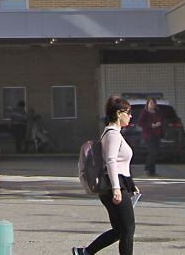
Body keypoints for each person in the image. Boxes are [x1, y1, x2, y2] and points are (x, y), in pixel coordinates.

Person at [74, 96, 137, 255]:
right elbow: (111, 161)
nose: (130, 116)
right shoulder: (112, 134)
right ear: (118, 113)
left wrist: (130, 184)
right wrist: (117, 188)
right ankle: (86, 252)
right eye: (128, 112)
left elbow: (120, 165)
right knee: (128, 229)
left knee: (120, 230)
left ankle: (85, 252)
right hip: (113, 187)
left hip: (116, 185)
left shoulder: (114, 133)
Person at [139, 98, 163, 177]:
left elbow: (162, 120)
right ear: (147, 104)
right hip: (149, 134)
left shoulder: (157, 112)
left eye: (153, 103)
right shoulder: (145, 112)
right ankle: (147, 168)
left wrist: (159, 123)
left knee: (156, 152)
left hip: (157, 134)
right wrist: (151, 125)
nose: (152, 104)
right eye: (150, 103)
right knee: (153, 152)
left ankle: (152, 171)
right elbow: (140, 123)